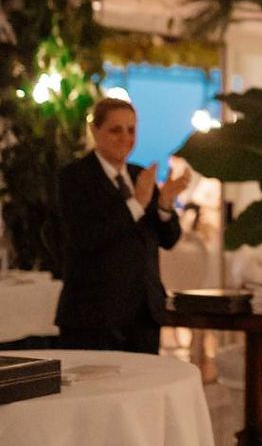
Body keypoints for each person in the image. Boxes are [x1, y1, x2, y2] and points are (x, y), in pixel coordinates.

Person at [56, 96, 188, 353]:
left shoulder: (139, 175)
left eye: (131, 130)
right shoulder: (74, 177)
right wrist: (137, 203)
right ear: (95, 131)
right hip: (93, 315)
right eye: (116, 130)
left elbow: (168, 240)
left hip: (144, 313)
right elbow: (86, 238)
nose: (125, 137)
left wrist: (164, 205)